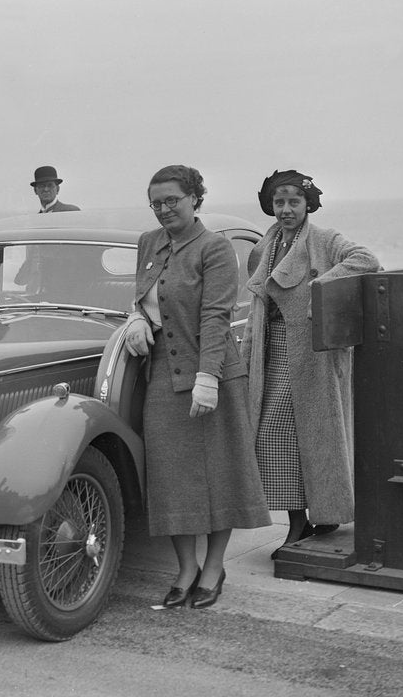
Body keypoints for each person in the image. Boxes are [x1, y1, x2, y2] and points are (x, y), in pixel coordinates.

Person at [124, 165, 270, 609]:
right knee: (172, 480)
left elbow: (215, 316)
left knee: (218, 476)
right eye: (157, 202)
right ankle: (185, 568)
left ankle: (213, 567)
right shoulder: (149, 242)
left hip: (214, 377)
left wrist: (207, 378)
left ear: (195, 199)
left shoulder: (216, 248)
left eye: (173, 200)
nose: (164, 209)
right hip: (164, 378)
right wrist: (134, 317)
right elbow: (145, 295)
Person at [241, 170, 380, 556]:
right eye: (279, 202)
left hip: (314, 354)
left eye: (293, 202)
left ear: (307, 205)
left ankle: (305, 523)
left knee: (293, 435)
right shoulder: (264, 246)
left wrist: (322, 288)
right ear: (271, 205)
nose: (285, 209)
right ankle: (309, 518)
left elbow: (367, 259)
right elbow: (259, 306)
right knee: (278, 437)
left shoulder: (324, 239)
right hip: (272, 349)